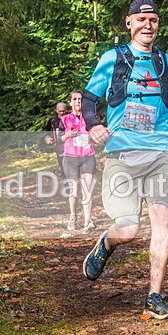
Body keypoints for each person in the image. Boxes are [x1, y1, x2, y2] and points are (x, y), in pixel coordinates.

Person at [80, 0, 168, 319]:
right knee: (128, 230)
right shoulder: (113, 58)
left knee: (162, 221)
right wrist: (93, 125)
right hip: (122, 155)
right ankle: (106, 243)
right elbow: (89, 98)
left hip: (160, 154)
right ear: (129, 23)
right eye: (142, 20)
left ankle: (154, 296)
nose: (148, 26)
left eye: (154, 20)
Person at [60, 90, 96, 231]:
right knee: (74, 191)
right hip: (70, 158)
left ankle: (88, 220)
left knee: (87, 189)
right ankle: (73, 216)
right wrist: (67, 135)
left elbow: (95, 133)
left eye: (80, 99)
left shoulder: (89, 117)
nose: (78, 101)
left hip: (87, 156)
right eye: (74, 99)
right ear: (70, 102)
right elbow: (58, 140)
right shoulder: (65, 119)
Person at [44, 102, 68, 178]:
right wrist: (47, 138)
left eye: (63, 111)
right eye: (60, 111)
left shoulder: (70, 118)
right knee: (62, 164)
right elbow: (46, 131)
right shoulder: (52, 121)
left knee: (69, 165)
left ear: (66, 110)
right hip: (58, 146)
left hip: (69, 146)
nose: (62, 113)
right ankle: (65, 181)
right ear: (56, 111)